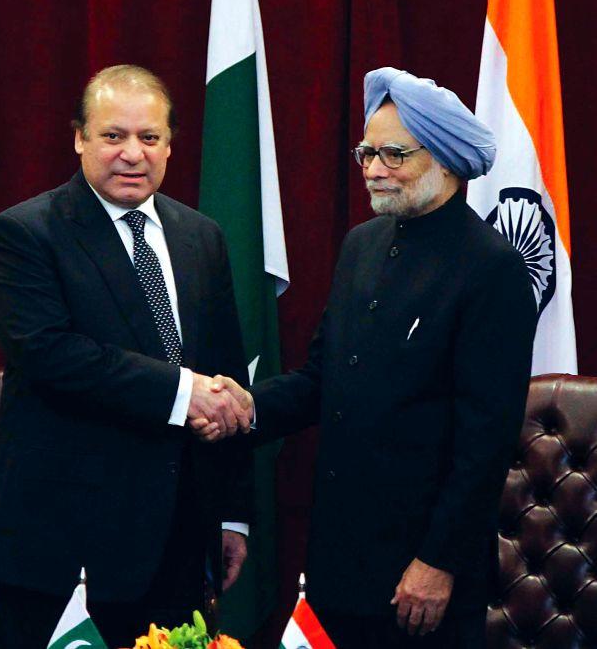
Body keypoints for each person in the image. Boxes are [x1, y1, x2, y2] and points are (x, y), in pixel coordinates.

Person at [209, 67, 538, 648]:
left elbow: (483, 442)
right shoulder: (361, 245)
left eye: (394, 154)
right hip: (337, 555)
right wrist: (246, 406)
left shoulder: (492, 269)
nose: (373, 168)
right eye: (367, 152)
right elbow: (321, 379)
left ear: (446, 161)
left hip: (420, 570)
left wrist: (438, 561)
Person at [0, 64, 253, 649]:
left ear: (170, 145)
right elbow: (53, 355)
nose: (133, 153)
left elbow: (225, 375)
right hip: (62, 550)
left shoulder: (201, 237)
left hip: (178, 546)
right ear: (79, 137)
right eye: (113, 136)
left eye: (149, 138)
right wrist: (186, 392)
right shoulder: (24, 234)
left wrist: (230, 515)